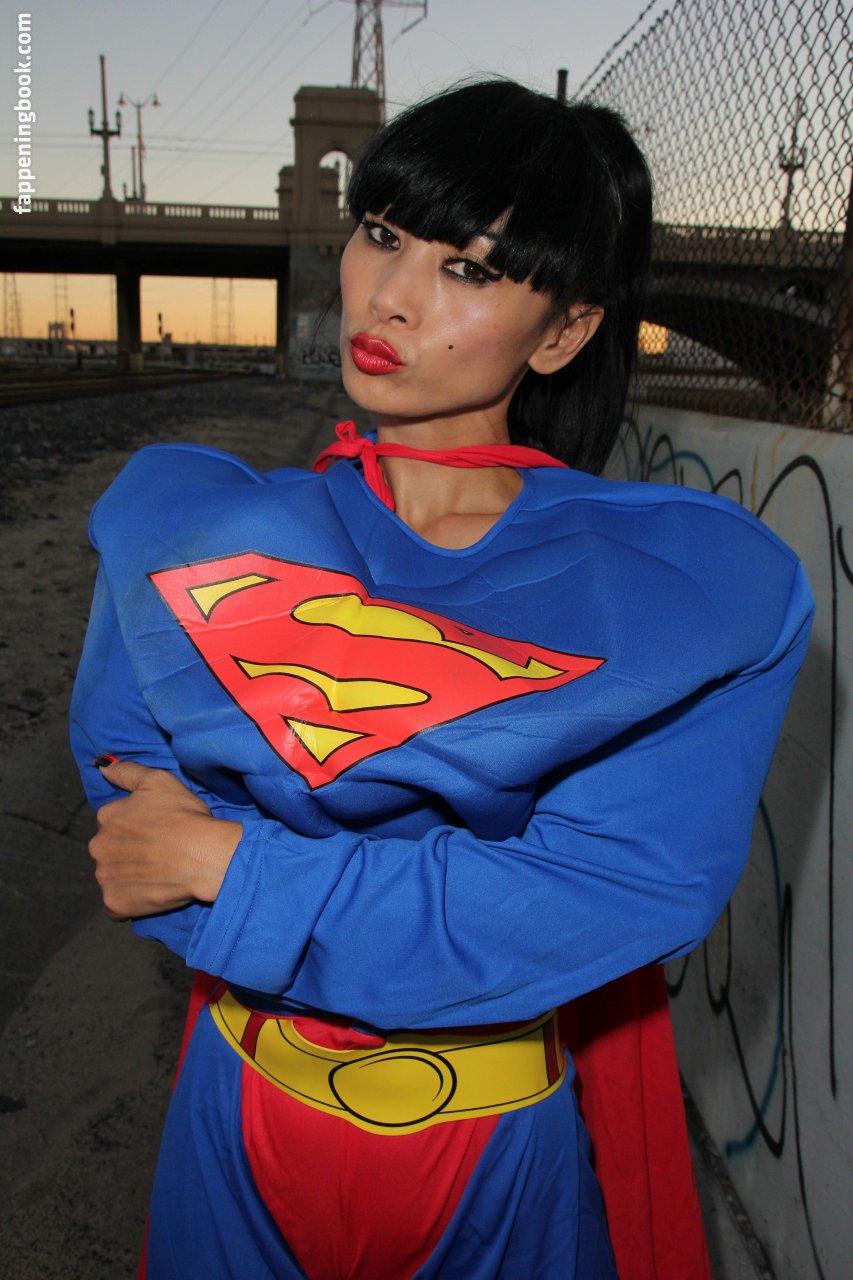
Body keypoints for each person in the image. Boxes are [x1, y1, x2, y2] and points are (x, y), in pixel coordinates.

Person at [70, 80, 813, 1280]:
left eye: (467, 268)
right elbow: (135, 828)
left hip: (490, 1153)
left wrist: (238, 864)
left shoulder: (663, 593)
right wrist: (410, 886)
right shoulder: (192, 524)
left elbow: (598, 891)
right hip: (236, 1110)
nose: (391, 296)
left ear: (562, 333)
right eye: (382, 234)